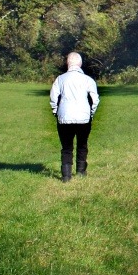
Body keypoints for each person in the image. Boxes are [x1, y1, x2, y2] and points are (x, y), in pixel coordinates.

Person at [49, 52, 99, 182]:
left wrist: (56, 112)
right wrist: (91, 114)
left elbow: (54, 98)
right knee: (82, 144)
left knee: (66, 147)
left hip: (64, 117)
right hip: (83, 118)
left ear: (68, 64)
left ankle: (66, 176)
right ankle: (81, 171)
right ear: (80, 64)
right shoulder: (88, 80)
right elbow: (95, 100)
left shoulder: (60, 79)